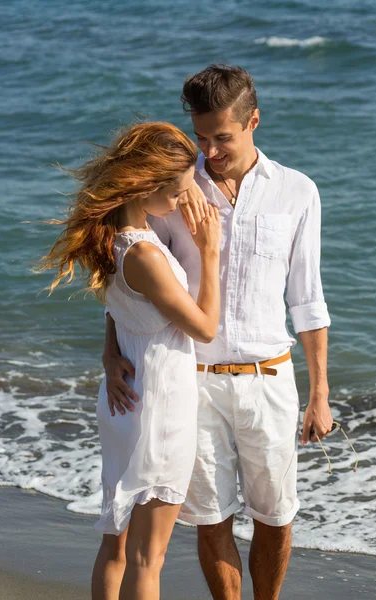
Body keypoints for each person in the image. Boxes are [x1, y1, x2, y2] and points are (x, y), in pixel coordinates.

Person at [104, 65, 333, 600]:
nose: (209, 150)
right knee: (211, 519)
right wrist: (110, 350)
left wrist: (319, 392)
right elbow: (136, 278)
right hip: (192, 381)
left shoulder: (297, 192)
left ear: (254, 120)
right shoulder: (173, 190)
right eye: (201, 137)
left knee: (276, 517)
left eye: (222, 137)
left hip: (269, 379)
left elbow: (307, 299)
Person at [37, 121, 221, 600]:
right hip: (157, 406)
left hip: (128, 397)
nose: (183, 203)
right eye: (179, 193)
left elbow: (118, 307)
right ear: (147, 188)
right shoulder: (144, 255)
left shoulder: (115, 242)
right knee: (146, 559)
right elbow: (203, 327)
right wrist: (210, 252)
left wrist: (108, 351)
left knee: (116, 545)